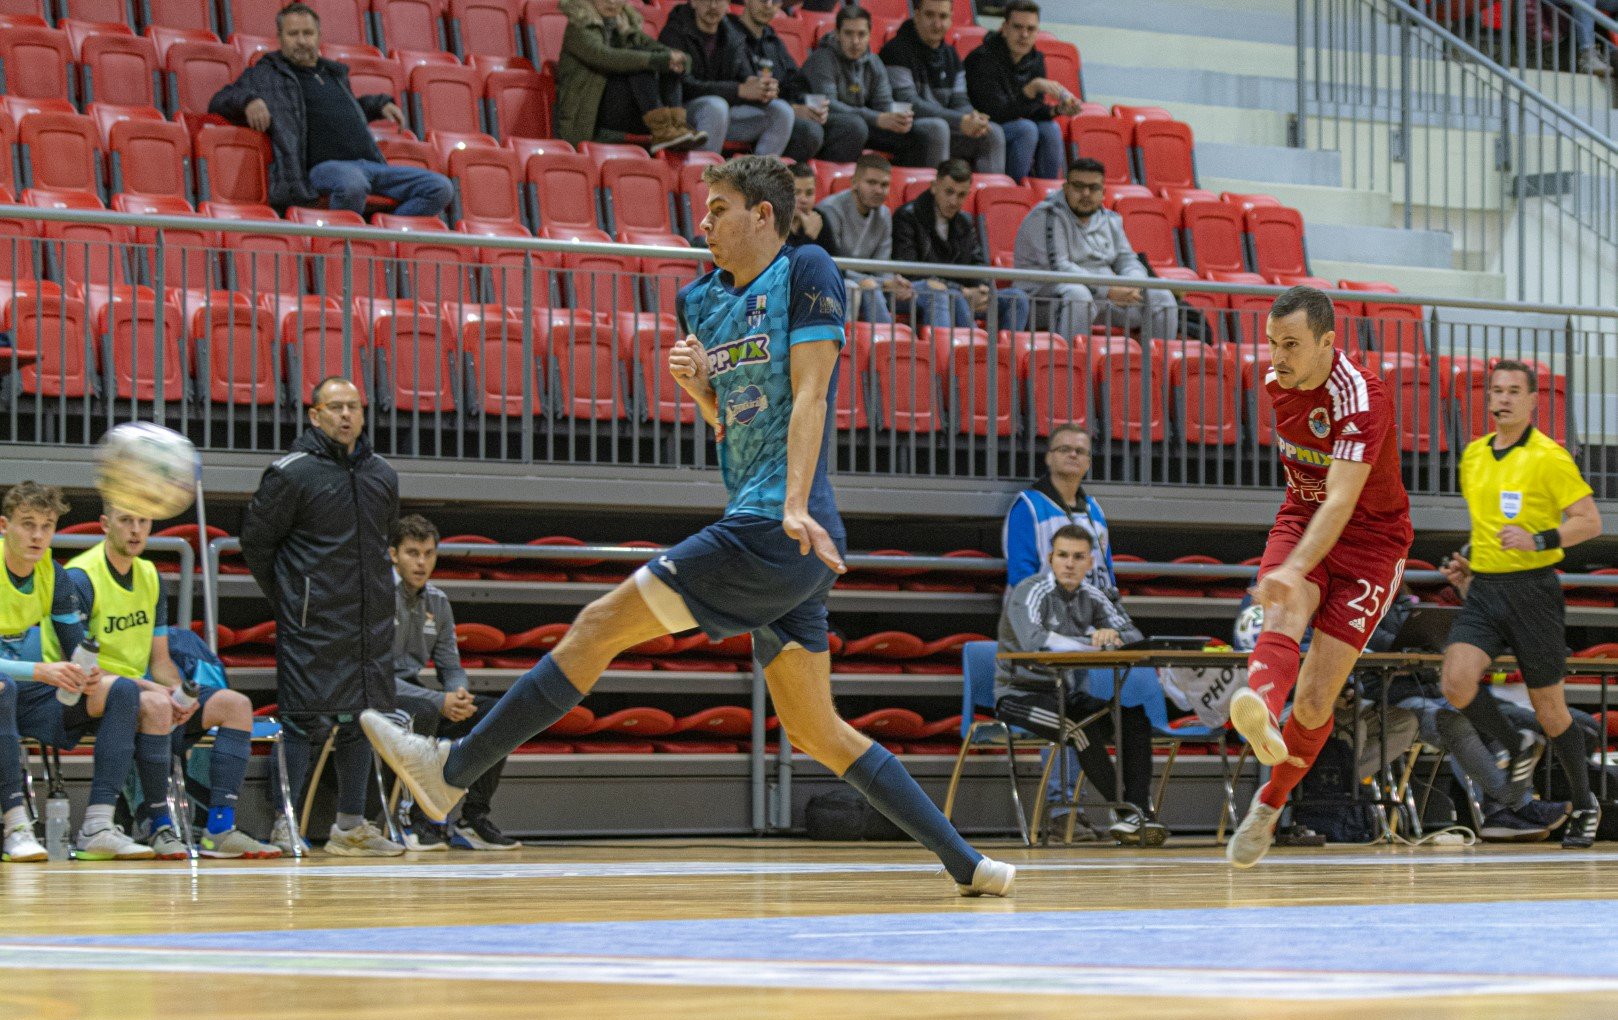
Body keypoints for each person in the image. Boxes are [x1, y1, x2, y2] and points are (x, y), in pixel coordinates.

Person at [362, 155, 1014, 898]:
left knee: (596, 627)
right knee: (818, 732)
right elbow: (732, 426)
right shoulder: (699, 302)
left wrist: (795, 505)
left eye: (719, 210)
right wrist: (702, 391)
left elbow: (811, 397)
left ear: (764, 215)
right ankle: (970, 863)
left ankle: (449, 774)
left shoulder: (808, 269)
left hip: (779, 523)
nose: (702, 224)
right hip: (766, 523)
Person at [1224, 285, 1413, 869]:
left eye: (1291, 344)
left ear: (1329, 342)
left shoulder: (1362, 397)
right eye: (1272, 343)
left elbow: (1341, 502)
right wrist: (1292, 569)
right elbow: (1311, 501)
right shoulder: (1278, 383)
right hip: (1301, 516)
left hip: (1371, 545)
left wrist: (1295, 565)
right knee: (1284, 606)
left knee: (1313, 705)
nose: (1277, 357)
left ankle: (1270, 801)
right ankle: (1259, 701)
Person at [1438, 359, 1605, 848]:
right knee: (1454, 679)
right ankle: (1515, 744)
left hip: (1534, 590)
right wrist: (1469, 565)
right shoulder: (1473, 456)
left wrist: (1541, 538)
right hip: (1486, 589)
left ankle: (1585, 804)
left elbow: (1589, 521)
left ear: (1533, 401)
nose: (1503, 399)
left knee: (1551, 710)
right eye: (1496, 390)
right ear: (1487, 398)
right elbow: (1488, 528)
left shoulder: (1549, 456)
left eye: (1514, 391)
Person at [241, 376, 403, 857]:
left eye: (353, 406)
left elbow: (383, 541)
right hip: (311, 622)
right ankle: (283, 822)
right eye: (335, 407)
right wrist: (293, 599)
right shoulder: (291, 474)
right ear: (314, 415)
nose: (346, 416)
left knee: (364, 720)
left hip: (368, 622)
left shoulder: (383, 476)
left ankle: (351, 826)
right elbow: (257, 543)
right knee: (301, 721)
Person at [64, 505, 280, 859]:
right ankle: (159, 824)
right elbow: (78, 665)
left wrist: (183, 694)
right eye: (126, 520)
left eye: (143, 521)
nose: (136, 530)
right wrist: (155, 690)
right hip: (97, 690)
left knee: (235, 705)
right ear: (105, 524)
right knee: (155, 702)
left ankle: (218, 830)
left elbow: (161, 661)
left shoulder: (149, 575)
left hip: (147, 689)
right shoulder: (80, 576)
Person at [0, 483, 155, 859]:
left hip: (31, 693)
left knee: (120, 691)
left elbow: (75, 646)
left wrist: (86, 672)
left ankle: (97, 825)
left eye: (47, 525)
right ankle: (16, 825)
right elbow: (36, 671)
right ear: (4, 525)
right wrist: (40, 670)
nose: (38, 535)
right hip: (11, 686)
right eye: (27, 524)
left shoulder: (53, 574)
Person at [995, 527, 1165, 844]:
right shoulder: (1029, 591)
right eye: (1062, 555)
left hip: (1067, 695)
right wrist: (1092, 639)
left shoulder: (1092, 595)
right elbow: (1034, 642)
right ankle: (1126, 814)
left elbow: (1134, 638)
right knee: (1078, 728)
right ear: (1050, 559)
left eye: (1078, 557)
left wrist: (1113, 636)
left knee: (1134, 719)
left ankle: (1140, 811)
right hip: (1019, 697)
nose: (1069, 564)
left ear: (1089, 563)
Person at [1362, 588, 1572, 841]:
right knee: (1455, 722)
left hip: (1430, 689)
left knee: (1486, 719)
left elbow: (1420, 629)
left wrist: (1434, 642)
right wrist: (1414, 646)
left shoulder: (1399, 595)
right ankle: (1519, 802)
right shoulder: (1361, 598)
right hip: (1390, 698)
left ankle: (1500, 814)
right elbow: (1376, 639)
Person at [208, 4, 454, 216]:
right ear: (280, 38)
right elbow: (220, 100)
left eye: (308, 33)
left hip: (369, 165)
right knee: (352, 184)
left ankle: (379, 236)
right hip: (322, 169)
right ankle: (345, 246)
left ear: (318, 36)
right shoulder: (267, 73)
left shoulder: (333, 74)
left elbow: (345, 113)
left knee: (440, 187)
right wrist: (249, 101)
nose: (302, 40)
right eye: (293, 34)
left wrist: (378, 105)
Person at [390, 515, 519, 851]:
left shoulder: (438, 602)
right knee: (425, 709)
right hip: (378, 695)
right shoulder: (376, 598)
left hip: (417, 690)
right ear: (393, 555)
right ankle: (417, 819)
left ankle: (473, 817)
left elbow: (451, 666)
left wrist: (457, 692)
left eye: (428, 554)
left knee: (497, 713)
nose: (421, 562)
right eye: (412, 553)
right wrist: (438, 702)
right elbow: (374, 677)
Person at [1014, 158, 1179, 339]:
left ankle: (1155, 365)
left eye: (1093, 188)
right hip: (1043, 300)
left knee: (1161, 297)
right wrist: (1107, 290)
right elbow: (1059, 268)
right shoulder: (1046, 216)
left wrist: (1132, 284)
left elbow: (1127, 260)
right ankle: (1071, 365)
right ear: (1066, 188)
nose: (1085, 193)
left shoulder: (1110, 219)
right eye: (1078, 186)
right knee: (1078, 295)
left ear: (1103, 192)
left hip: (1100, 297)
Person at [892, 158, 1030, 331]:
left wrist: (982, 289)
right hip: (924, 293)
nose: (954, 201)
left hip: (963, 293)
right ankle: (973, 353)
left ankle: (1007, 357)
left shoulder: (964, 221)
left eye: (961, 195)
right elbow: (910, 272)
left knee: (1017, 298)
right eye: (949, 192)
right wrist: (962, 291)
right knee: (953, 296)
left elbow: (978, 262)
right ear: (934, 186)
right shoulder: (907, 216)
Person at [802, 5, 950, 168]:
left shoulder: (874, 62)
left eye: (861, 34)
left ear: (869, 36)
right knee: (855, 127)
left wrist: (897, 119)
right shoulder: (822, 59)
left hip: (864, 123)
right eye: (848, 33)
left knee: (919, 135)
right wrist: (877, 119)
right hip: (831, 124)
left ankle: (895, 185)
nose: (855, 41)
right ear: (837, 34)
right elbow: (829, 105)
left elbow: (883, 104)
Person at [555, 0, 706, 153]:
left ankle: (676, 126)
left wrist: (680, 60)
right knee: (644, 62)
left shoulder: (625, 25)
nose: (612, 2)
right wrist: (657, 60)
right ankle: (662, 128)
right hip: (589, 114)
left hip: (626, 111)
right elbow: (605, 57)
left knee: (665, 63)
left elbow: (663, 52)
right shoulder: (579, 27)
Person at [880, 0, 1006, 174]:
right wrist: (960, 121)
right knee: (937, 128)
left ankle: (991, 195)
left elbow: (960, 102)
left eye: (943, 16)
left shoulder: (951, 54)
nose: (937, 24)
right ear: (917, 15)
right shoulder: (895, 50)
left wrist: (973, 119)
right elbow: (908, 103)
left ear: (951, 19)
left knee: (992, 133)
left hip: (943, 127)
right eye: (930, 15)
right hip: (905, 130)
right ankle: (934, 196)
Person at [730, 0, 865, 162]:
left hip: (786, 110)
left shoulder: (773, 40)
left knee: (853, 128)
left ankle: (812, 179)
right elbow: (741, 88)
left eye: (775, 2)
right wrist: (793, 109)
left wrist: (807, 105)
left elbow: (795, 82)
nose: (768, 6)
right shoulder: (730, 35)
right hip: (748, 114)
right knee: (810, 132)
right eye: (762, 0)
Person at [660, 0, 795, 157]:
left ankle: (758, 176)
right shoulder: (675, 32)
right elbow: (682, 87)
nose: (713, 6)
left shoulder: (732, 35)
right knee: (716, 107)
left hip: (721, 117)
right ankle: (703, 176)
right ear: (694, 2)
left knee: (782, 111)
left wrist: (760, 88)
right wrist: (739, 90)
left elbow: (743, 78)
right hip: (682, 115)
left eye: (720, 0)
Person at [963, 0, 1078, 182]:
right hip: (982, 128)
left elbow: (1033, 109)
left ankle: (1046, 194)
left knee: (1051, 129)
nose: (1024, 35)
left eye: (1031, 29)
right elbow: (996, 113)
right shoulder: (982, 59)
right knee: (1026, 129)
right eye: (1018, 27)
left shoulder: (1035, 59)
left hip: (1012, 126)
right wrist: (1030, 89)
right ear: (1004, 28)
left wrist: (1057, 110)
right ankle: (1015, 194)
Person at [1002, 424, 1114, 591]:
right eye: (1064, 449)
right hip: (1041, 613)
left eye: (1080, 451)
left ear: (1088, 462)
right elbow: (1021, 578)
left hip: (1090, 614)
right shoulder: (1028, 506)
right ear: (1049, 458)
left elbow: (1106, 571)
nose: (1073, 454)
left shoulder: (1095, 509)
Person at [816, 153, 909, 322]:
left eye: (884, 184)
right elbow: (830, 263)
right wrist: (868, 281)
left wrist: (893, 282)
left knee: (920, 291)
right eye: (871, 183)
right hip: (834, 281)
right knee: (865, 289)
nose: (879, 190)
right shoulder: (830, 209)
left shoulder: (885, 215)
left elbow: (882, 266)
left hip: (869, 285)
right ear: (854, 183)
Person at [786, 162, 838, 255]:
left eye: (809, 193)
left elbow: (833, 261)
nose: (804, 200)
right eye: (796, 193)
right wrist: (809, 236)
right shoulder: (773, 222)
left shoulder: (819, 218)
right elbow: (787, 265)